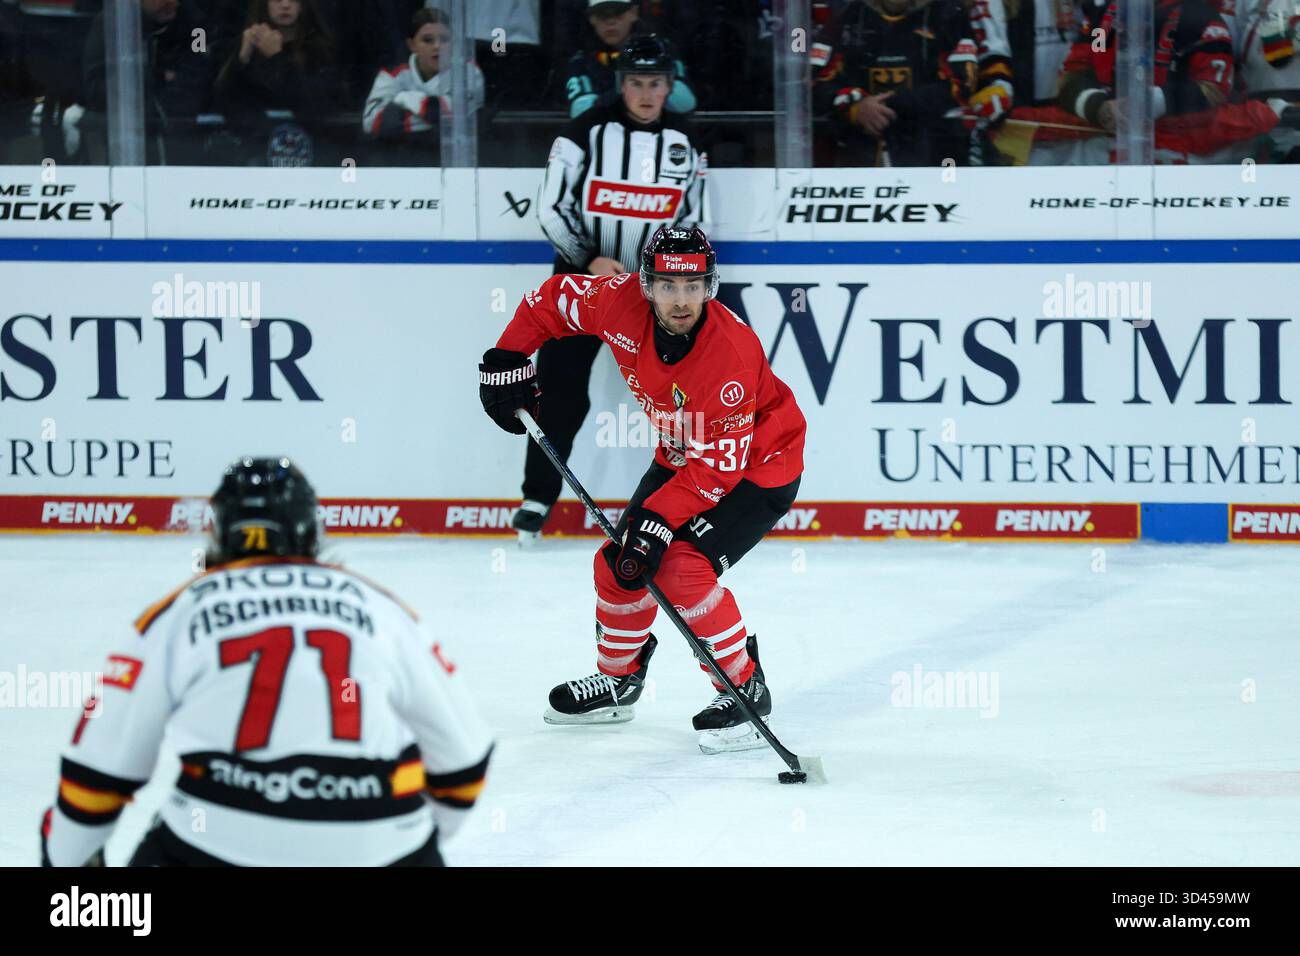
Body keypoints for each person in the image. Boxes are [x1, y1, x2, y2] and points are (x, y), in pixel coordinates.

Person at [40, 457, 492, 867]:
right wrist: (390, 837)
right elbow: (464, 764)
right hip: (385, 844)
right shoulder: (382, 608)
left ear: (220, 530)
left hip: (216, 844)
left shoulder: (180, 610)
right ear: (310, 530)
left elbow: (97, 775)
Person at [478, 227, 807, 753]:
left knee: (679, 568)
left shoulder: (730, 357)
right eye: (669, 285)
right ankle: (618, 680)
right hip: (684, 454)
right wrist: (507, 358)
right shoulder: (616, 299)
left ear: (710, 287)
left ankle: (744, 686)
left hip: (758, 467)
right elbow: (548, 300)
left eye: (694, 286)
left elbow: (718, 470)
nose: (682, 300)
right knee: (618, 564)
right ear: (646, 285)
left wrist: (656, 519)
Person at [513, 33, 708, 545]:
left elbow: (694, 220)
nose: (647, 93)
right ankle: (536, 498)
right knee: (559, 394)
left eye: (657, 83)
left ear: (670, 87)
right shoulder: (583, 131)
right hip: (581, 287)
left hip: (652, 295)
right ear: (622, 85)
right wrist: (587, 260)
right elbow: (550, 208)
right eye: (637, 82)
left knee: (680, 396)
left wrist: (661, 281)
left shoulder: (687, 142)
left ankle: (692, 501)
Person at [810, 0, 1002, 166]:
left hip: (935, 151)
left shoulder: (948, 13)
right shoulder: (847, 15)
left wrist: (892, 104)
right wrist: (855, 107)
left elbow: (962, 86)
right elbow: (814, 83)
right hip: (860, 151)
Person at [212, 0, 345, 163]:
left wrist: (276, 57)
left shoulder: (319, 48)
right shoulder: (248, 46)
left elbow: (314, 106)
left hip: (312, 152)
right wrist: (241, 60)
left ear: (303, 5)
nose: (285, 5)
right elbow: (222, 105)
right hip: (256, 154)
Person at [362, 7, 485, 152]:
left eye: (445, 39)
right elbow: (372, 123)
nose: (437, 46)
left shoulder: (468, 71)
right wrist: (432, 109)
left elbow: (460, 121)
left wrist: (404, 99)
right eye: (427, 40)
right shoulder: (392, 75)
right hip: (399, 156)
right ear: (412, 45)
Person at [563, 0, 696, 116]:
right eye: (603, 15)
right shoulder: (581, 61)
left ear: (633, 13)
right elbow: (580, 112)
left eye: (618, 13)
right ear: (592, 18)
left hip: (658, 135)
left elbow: (685, 103)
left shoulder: (661, 49)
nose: (611, 21)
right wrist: (629, 84)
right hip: (607, 139)